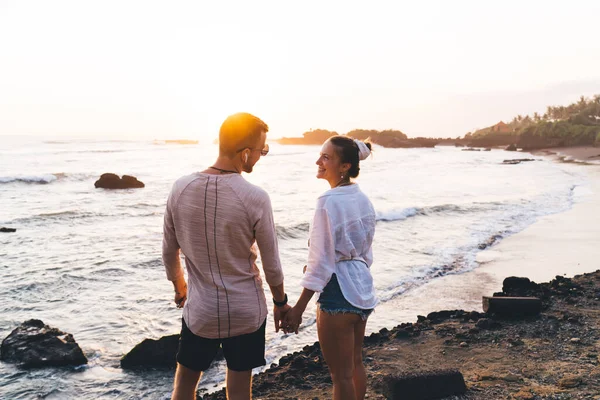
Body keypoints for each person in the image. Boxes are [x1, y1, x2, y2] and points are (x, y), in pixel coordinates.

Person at [162, 112, 290, 400]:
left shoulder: (180, 188)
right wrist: (281, 303)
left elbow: (169, 249)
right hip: (246, 311)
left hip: (201, 310)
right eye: (262, 150)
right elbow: (272, 266)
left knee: (184, 384)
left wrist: (179, 287)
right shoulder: (255, 197)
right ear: (245, 154)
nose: (261, 156)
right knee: (239, 388)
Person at [283, 136, 378, 400]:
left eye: (326, 157)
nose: (318, 161)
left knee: (341, 376)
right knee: (355, 364)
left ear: (345, 166)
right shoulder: (363, 199)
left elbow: (320, 262)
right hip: (361, 288)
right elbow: (364, 251)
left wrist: (299, 308)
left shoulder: (328, 201)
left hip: (337, 291)